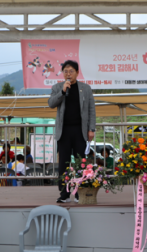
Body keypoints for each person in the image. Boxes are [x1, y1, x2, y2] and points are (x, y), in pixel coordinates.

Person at [48, 60, 96, 203]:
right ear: (62, 73)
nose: (68, 74)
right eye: (65, 71)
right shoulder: (57, 87)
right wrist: (63, 91)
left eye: (71, 71)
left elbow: (91, 110)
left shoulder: (85, 88)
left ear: (77, 72)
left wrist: (91, 129)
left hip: (80, 130)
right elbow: (51, 104)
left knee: (81, 163)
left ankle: (80, 193)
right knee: (63, 163)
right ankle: (64, 194)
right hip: (64, 131)